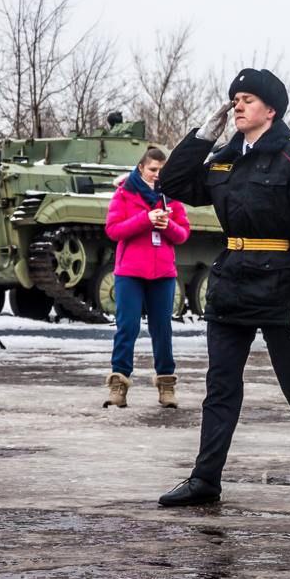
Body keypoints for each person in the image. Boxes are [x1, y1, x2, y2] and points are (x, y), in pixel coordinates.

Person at [156, 68, 290, 505]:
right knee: (220, 383)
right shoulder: (225, 158)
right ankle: (205, 478)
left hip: (280, 283)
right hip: (232, 282)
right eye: (234, 99)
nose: (237, 106)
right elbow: (171, 184)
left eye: (246, 99)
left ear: (271, 109)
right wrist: (202, 137)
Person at [103, 146, 190, 409]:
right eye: (153, 169)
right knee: (127, 327)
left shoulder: (171, 198)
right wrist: (145, 219)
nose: (157, 175)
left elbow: (183, 233)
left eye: (161, 171)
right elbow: (113, 230)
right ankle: (119, 385)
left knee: (162, 329)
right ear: (141, 168)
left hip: (162, 273)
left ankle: (166, 386)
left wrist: (168, 226)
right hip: (130, 273)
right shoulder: (124, 195)